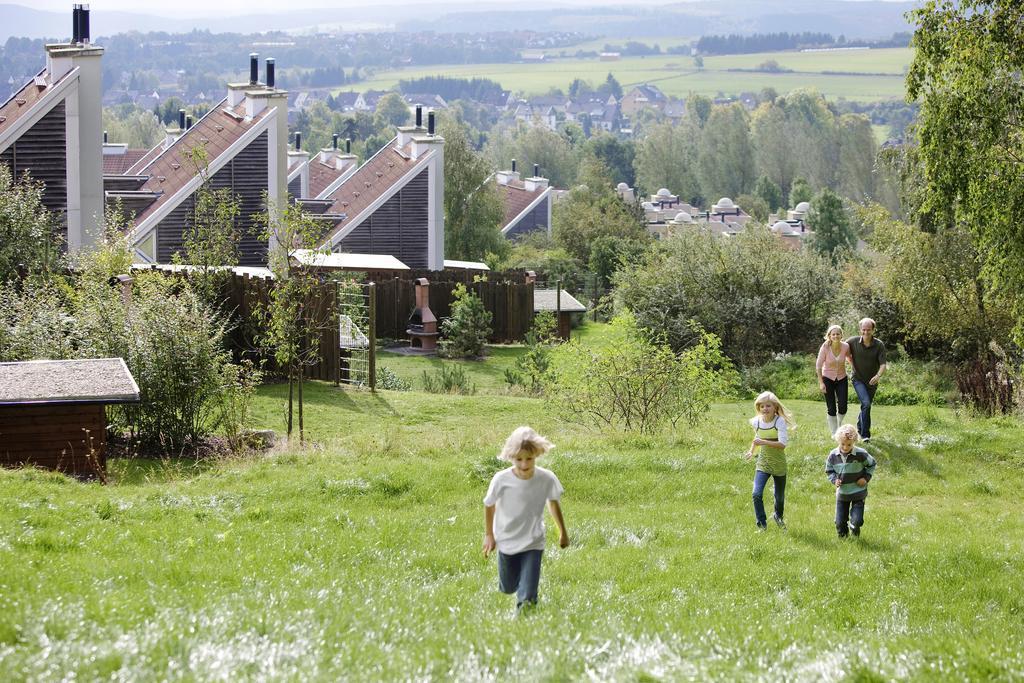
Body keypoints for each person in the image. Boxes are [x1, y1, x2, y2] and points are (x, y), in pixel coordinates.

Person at [483, 426, 569, 612]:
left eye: (529, 459)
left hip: (533, 541)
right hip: (506, 539)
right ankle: (514, 587)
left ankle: (524, 623)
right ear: (510, 457)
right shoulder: (501, 480)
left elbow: (553, 504)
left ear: (537, 455)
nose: (524, 465)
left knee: (528, 594)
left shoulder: (547, 478)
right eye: (518, 459)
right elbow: (489, 505)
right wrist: (489, 535)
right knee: (508, 587)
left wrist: (563, 532)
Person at [744, 391, 795, 530]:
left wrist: (763, 442)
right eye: (762, 406)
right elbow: (757, 438)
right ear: (759, 408)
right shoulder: (756, 422)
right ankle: (762, 524)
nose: (765, 409)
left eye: (768, 406)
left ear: (775, 407)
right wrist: (751, 451)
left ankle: (778, 517)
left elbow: (782, 444)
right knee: (756, 493)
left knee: (779, 497)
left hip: (778, 463)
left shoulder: (779, 421)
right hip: (763, 462)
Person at [825, 424, 877, 538]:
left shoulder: (861, 454)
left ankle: (855, 529)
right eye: (842, 444)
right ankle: (843, 540)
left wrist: (866, 478)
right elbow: (829, 470)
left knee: (857, 520)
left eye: (849, 444)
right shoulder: (833, 455)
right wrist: (834, 480)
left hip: (858, 492)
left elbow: (872, 464)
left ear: (854, 441)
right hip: (842, 494)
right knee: (839, 522)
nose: (845, 447)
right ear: (838, 441)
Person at [846, 318, 887, 442]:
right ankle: (865, 435)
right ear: (860, 329)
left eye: (868, 330)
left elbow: (883, 364)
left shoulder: (879, 345)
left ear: (873, 330)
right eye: (863, 329)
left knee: (866, 405)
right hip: (858, 379)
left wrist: (878, 376)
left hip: (872, 382)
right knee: (866, 404)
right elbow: (841, 348)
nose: (865, 332)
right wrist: (851, 361)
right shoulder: (852, 342)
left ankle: (859, 427)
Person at [816, 324, 852, 437]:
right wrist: (821, 382)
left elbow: (849, 358)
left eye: (838, 334)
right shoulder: (825, 347)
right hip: (827, 378)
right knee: (831, 407)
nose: (836, 336)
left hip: (842, 378)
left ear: (841, 335)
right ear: (829, 336)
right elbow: (818, 366)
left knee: (843, 406)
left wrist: (855, 369)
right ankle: (834, 432)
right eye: (833, 334)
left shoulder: (846, 346)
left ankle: (838, 424)